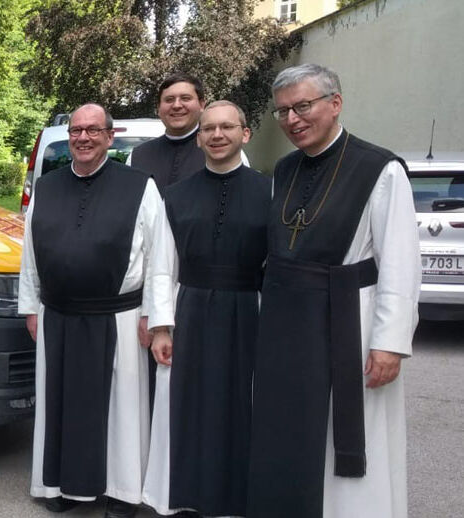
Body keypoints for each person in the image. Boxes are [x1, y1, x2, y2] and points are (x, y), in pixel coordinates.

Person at [245, 64, 419, 518]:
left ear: (335, 103)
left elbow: (400, 263)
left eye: (303, 106)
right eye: (283, 112)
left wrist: (389, 343)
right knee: (287, 431)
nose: (293, 120)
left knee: (343, 435)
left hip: (347, 321)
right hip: (285, 322)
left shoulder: (379, 168)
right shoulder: (284, 169)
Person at [19, 103, 170, 518]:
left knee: (118, 405)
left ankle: (121, 490)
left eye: (92, 131)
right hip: (59, 315)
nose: (83, 138)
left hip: (118, 316)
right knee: (60, 403)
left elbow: (161, 256)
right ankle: (64, 484)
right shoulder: (47, 187)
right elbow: (30, 253)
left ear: (109, 135)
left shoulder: (140, 186)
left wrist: (155, 318)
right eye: (75, 131)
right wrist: (30, 306)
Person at [141, 100, 271, 517]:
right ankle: (180, 498)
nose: (217, 135)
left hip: (250, 310)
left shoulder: (271, 191)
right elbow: (162, 266)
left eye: (226, 127)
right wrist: (162, 326)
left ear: (244, 134)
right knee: (184, 406)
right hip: (190, 309)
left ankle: (236, 500)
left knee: (242, 407)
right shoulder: (175, 196)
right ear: (198, 139)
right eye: (209, 129)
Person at [128, 73, 208, 190]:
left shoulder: (224, 152)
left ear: (202, 105)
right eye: (169, 100)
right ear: (158, 109)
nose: (176, 105)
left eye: (185, 98)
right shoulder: (136, 157)